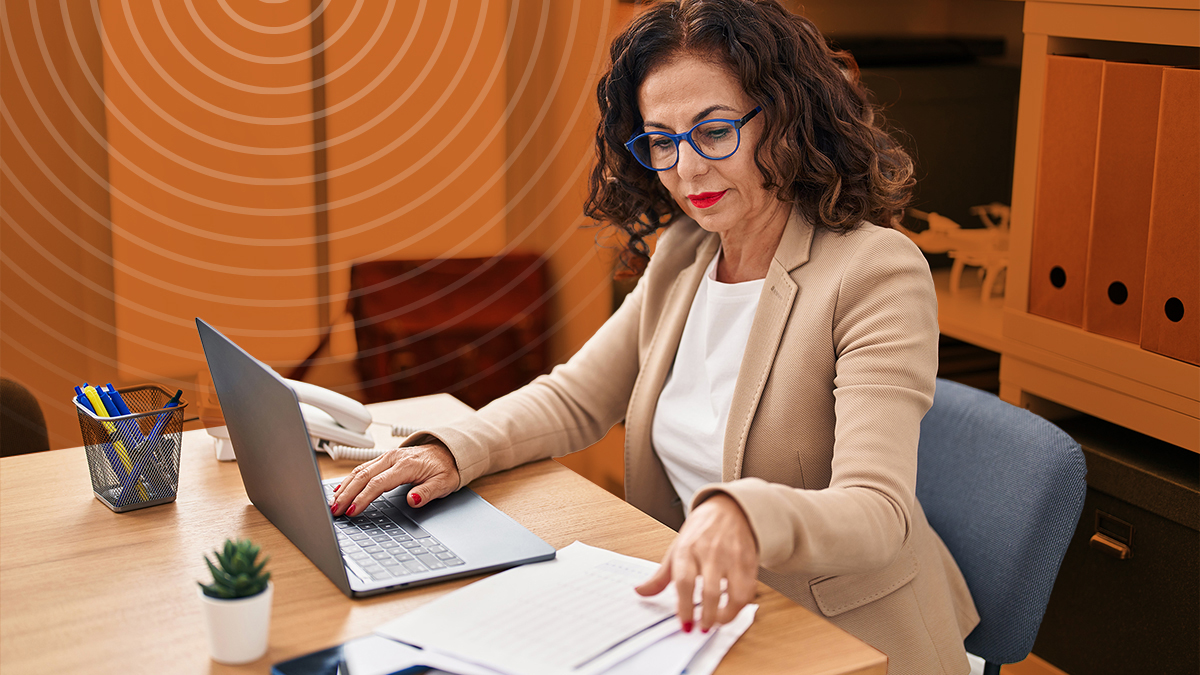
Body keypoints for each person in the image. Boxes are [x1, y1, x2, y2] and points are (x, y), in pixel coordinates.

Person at [330, 1, 979, 672]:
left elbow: (879, 514)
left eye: (714, 130)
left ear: (785, 118)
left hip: (842, 638)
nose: (687, 169)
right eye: (662, 139)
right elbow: (576, 398)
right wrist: (451, 448)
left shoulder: (875, 270)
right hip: (707, 617)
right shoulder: (687, 251)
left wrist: (743, 513)